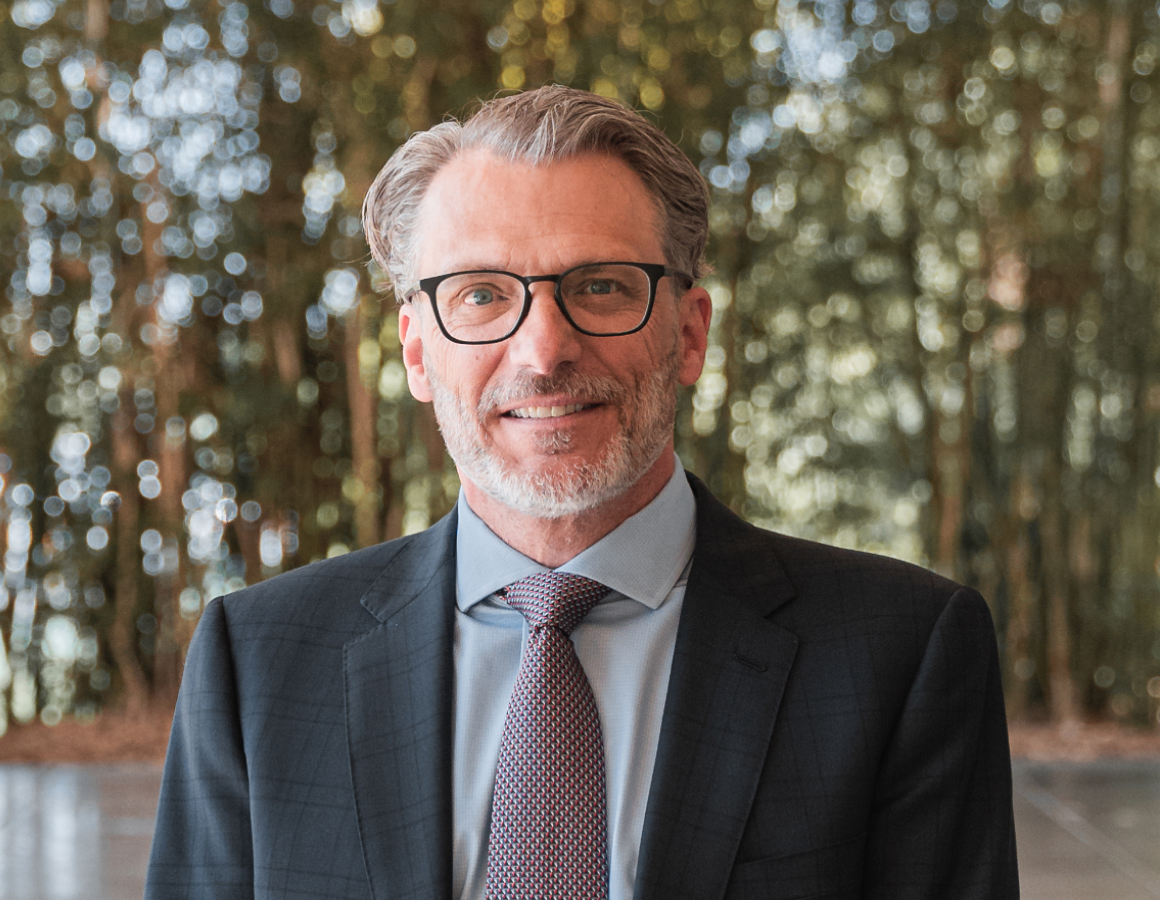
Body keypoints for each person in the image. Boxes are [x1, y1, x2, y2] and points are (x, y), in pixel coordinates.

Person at [146, 86, 1018, 900]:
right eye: (481, 294)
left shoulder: (900, 653)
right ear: (417, 351)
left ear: (689, 334)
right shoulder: (256, 664)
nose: (543, 352)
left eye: (599, 286)